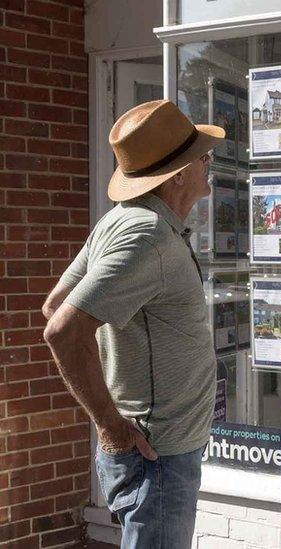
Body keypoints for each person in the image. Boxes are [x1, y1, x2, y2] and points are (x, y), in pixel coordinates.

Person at [42, 100, 225, 548]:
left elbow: (55, 304)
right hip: (155, 456)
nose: (209, 162)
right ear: (178, 173)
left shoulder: (125, 223)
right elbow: (62, 328)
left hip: (158, 452)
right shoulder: (146, 236)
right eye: (202, 156)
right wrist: (111, 423)